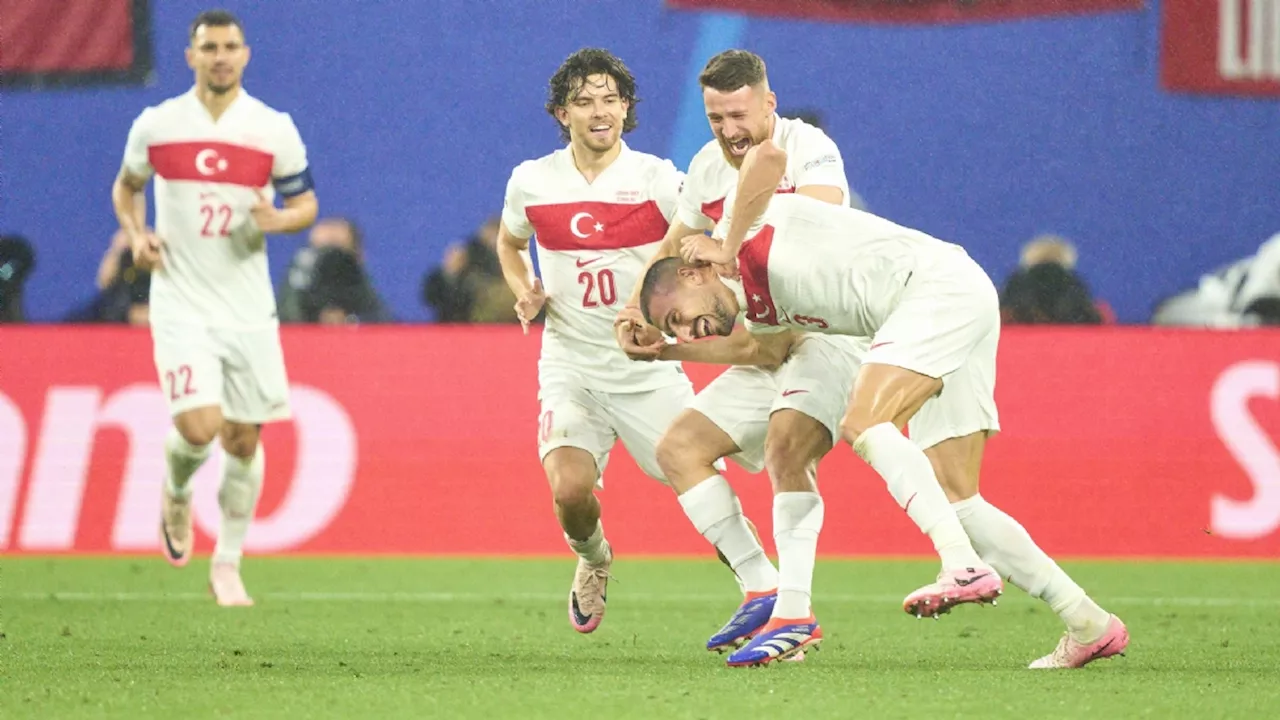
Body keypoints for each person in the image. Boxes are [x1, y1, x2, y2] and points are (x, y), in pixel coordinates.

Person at [637, 139, 1128, 669]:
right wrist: (667, 351)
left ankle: (960, 564)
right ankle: (1089, 623)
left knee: (864, 421)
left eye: (679, 317)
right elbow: (765, 349)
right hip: (959, 296)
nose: (689, 330)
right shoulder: (753, 302)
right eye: (677, 330)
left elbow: (768, 158)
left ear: (691, 274)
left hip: (932, 293)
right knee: (959, 499)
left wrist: (723, 239)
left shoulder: (747, 228)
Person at [497, 48, 771, 635]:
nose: (601, 112)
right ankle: (595, 560)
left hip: (644, 368)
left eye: (611, 99)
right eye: (585, 101)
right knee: (570, 492)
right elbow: (508, 244)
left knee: (694, 472)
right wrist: (526, 290)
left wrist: (681, 306)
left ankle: (763, 590)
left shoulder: (655, 179)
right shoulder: (532, 182)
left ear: (626, 107)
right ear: (560, 113)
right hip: (570, 363)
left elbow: (700, 236)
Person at [612, 50, 865, 661]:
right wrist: (631, 309)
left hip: (826, 334)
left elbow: (818, 228)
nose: (727, 131)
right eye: (715, 118)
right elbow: (674, 243)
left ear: (768, 104)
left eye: (737, 114)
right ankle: (761, 585)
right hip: (767, 338)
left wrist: (725, 246)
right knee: (679, 449)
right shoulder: (706, 167)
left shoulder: (809, 150)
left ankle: (795, 615)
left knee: (786, 447)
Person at [110, 9, 319, 606]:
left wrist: (281, 219)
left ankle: (226, 564)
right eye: (209, 47)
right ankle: (176, 492)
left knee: (244, 442)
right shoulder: (157, 124)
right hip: (180, 302)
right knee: (199, 428)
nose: (221, 56)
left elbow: (305, 202)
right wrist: (137, 233)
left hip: (249, 308)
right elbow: (127, 187)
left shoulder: (272, 128)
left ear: (245, 55)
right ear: (191, 57)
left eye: (230, 46)